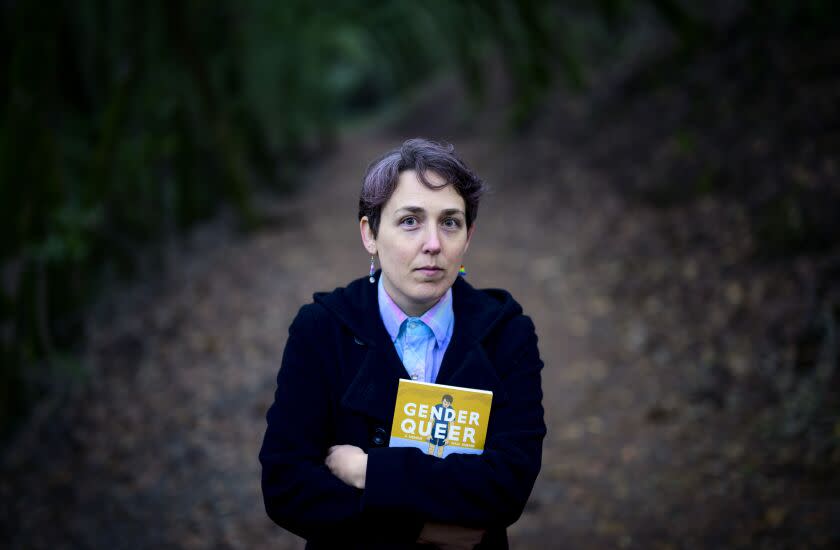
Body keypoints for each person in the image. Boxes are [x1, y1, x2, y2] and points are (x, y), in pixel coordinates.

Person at [259, 138, 546, 549]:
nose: (433, 243)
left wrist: (369, 471)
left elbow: (507, 486)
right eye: (410, 221)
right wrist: (418, 532)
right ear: (370, 234)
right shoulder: (321, 330)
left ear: (468, 237)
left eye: (450, 222)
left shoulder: (507, 335)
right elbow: (287, 486)